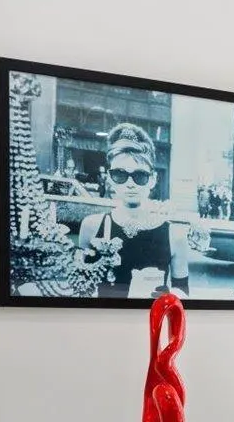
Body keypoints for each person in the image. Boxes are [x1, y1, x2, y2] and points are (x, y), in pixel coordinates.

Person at [78, 123, 190, 297]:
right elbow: (81, 290)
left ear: (152, 179)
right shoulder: (91, 226)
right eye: (120, 174)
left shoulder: (175, 236)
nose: (130, 184)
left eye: (140, 175)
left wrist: (167, 298)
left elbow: (182, 293)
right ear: (110, 178)